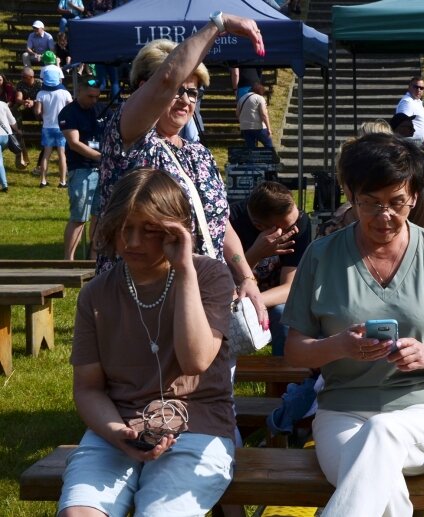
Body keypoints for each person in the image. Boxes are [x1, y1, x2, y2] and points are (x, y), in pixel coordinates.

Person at [283, 133, 424, 516]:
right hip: (342, 413)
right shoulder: (321, 255)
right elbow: (294, 349)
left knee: (380, 436)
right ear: (350, 195)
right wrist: (339, 345)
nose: (384, 215)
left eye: (397, 203)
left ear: (414, 197)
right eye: (369, 203)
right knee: (378, 486)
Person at [57, 168, 236, 517]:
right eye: (125, 229)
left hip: (197, 428)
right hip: (118, 429)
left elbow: (195, 361)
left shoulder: (209, 277)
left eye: (150, 230)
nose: (133, 242)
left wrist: (184, 269)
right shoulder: (97, 294)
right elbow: (89, 389)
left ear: (176, 231)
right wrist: (118, 433)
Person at [97, 12, 268, 326]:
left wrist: (246, 278)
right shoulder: (129, 136)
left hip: (203, 294)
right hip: (143, 295)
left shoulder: (198, 154)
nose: (186, 99)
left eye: (193, 92)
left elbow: (219, 222)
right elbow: (166, 80)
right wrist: (220, 26)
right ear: (143, 89)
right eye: (179, 89)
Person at [230, 181, 311, 356]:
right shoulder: (231, 222)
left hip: (263, 301)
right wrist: (257, 253)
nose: (296, 228)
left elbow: (290, 288)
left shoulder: (299, 222)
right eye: (288, 227)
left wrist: (255, 304)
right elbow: (227, 282)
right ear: (260, 227)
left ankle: (285, 381)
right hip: (233, 300)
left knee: (284, 316)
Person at [60, 76, 103, 260]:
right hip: (81, 170)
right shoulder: (68, 113)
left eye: (96, 97)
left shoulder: (101, 109)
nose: (93, 101)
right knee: (79, 217)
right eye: (90, 96)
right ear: (79, 92)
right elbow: (74, 143)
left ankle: (94, 259)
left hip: (101, 170)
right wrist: (101, 157)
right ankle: (68, 261)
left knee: (98, 216)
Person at [34, 67, 71, 188]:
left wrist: (41, 115)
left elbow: (38, 111)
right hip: (62, 127)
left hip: (47, 127)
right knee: (62, 154)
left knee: (46, 155)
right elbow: (71, 108)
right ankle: (62, 181)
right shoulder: (65, 93)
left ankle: (43, 181)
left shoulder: (41, 93)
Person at [13, 67, 41, 169]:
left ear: (31, 77)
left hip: (38, 105)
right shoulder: (20, 84)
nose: (22, 78)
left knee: (39, 108)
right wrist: (25, 102)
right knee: (15, 110)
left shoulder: (39, 83)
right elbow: (18, 98)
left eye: (24, 77)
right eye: (22, 77)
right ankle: (18, 130)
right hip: (25, 105)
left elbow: (42, 97)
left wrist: (33, 102)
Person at [236, 79, 273, 148]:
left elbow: (237, 114)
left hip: (245, 128)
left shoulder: (242, 98)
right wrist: (269, 129)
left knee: (251, 149)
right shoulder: (259, 98)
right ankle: (268, 158)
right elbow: (264, 114)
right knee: (269, 146)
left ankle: (254, 159)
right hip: (258, 127)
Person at [395, 76, 424, 144]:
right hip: (410, 145)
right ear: (409, 87)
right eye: (416, 87)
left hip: (418, 144)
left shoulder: (417, 102)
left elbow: (420, 125)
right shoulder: (407, 102)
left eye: (421, 88)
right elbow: (401, 127)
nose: (418, 90)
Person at [0, 100, 21, 193]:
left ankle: (4, 185)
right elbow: (12, 120)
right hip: (6, 136)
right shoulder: (3, 104)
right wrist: (18, 130)